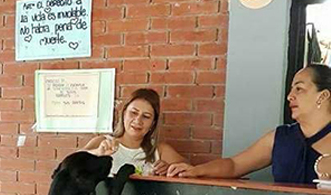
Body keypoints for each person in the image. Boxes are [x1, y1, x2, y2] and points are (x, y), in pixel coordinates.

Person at [167, 64, 331, 183]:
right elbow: (234, 165)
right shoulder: (280, 137)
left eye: (299, 89)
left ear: (322, 96)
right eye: (291, 89)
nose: (290, 96)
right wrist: (197, 170)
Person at [82, 88, 187, 177]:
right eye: (133, 113)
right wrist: (96, 153)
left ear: (153, 123)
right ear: (124, 114)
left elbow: (189, 170)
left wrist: (170, 168)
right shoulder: (102, 142)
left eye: (146, 116)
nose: (138, 120)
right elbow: (69, 165)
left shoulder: (159, 150)